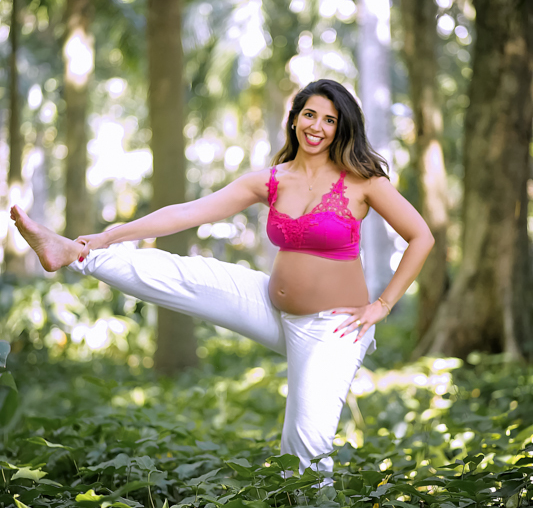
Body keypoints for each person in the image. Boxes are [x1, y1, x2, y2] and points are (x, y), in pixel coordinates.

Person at [10, 79, 434, 483]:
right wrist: (107, 236)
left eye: (329, 120)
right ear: (294, 118)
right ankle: (74, 253)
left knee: (304, 445)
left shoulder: (363, 181)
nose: (317, 127)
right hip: (273, 307)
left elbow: (421, 237)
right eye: (310, 114)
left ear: (342, 128)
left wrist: (382, 305)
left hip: (334, 330)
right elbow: (187, 212)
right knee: (186, 275)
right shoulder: (273, 180)